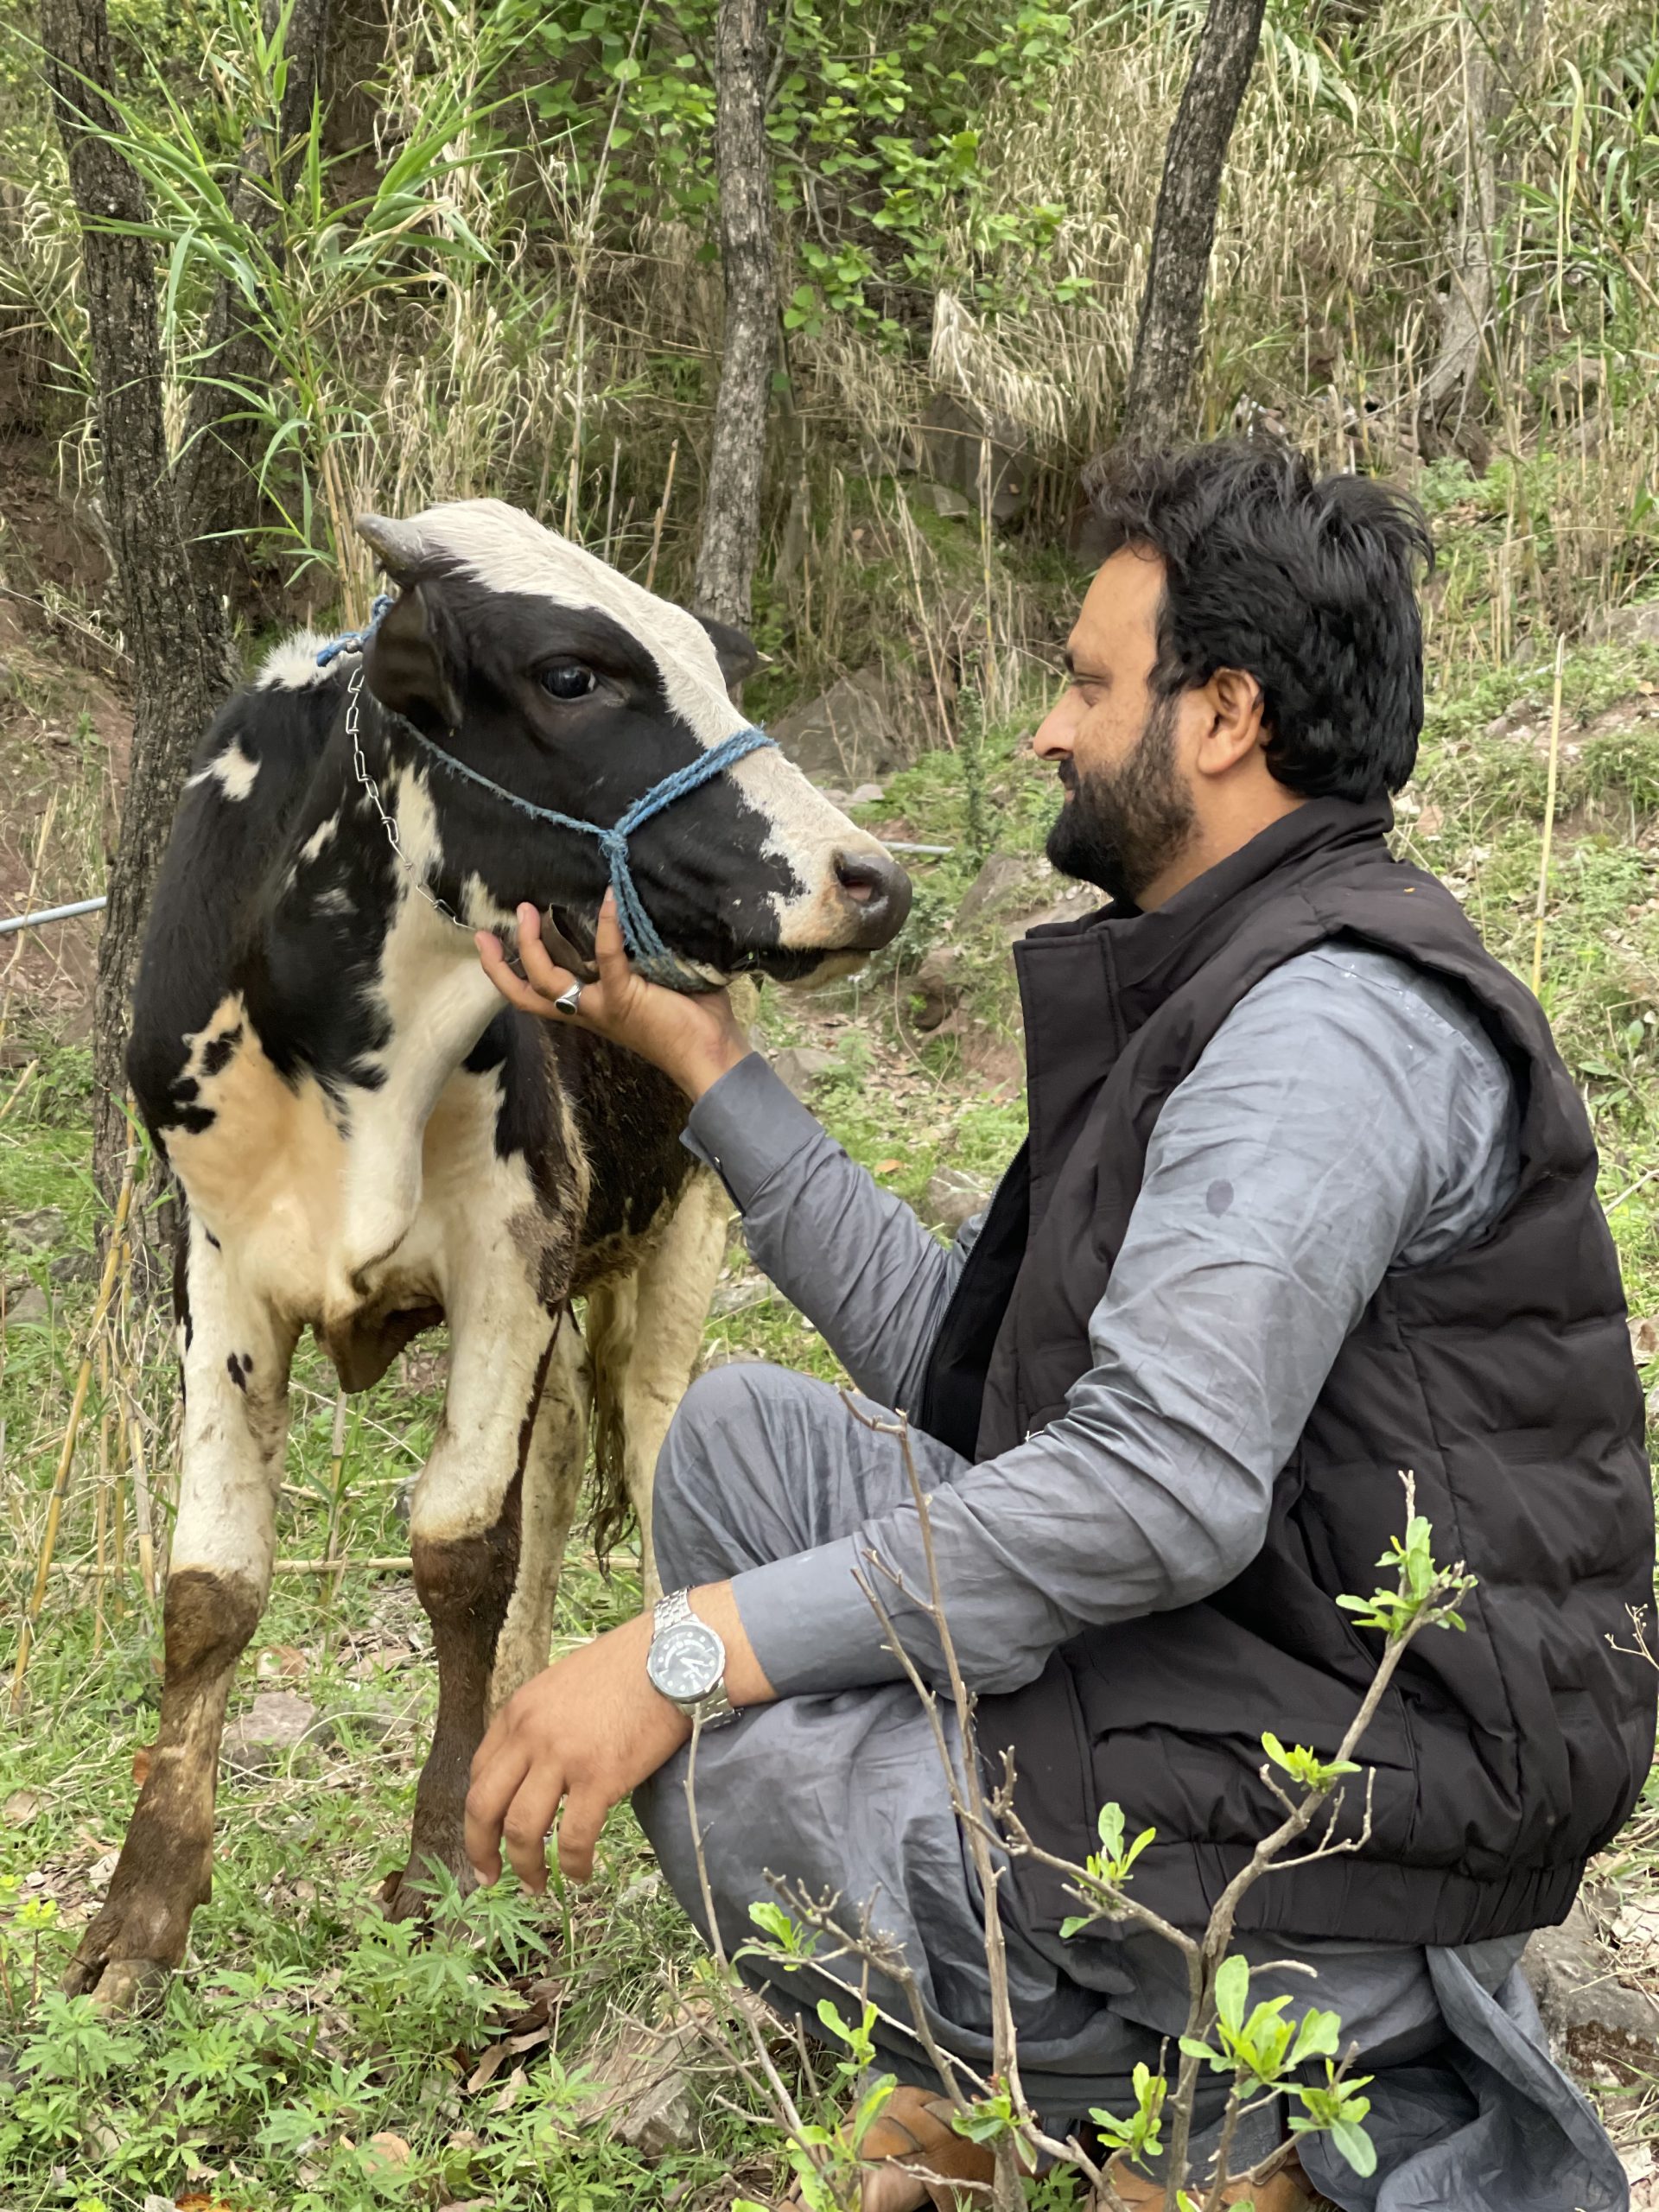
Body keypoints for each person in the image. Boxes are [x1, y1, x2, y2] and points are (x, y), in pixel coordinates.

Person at [463, 441, 1656, 2212]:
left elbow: (1152, 1488)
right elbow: (981, 1365)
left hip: (1378, 1779)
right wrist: (703, 1059)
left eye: (1090, 682)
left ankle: (1268, 2114)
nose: (1047, 729)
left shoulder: (1328, 1029)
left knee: (743, 1785)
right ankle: (1023, 2079)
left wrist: (686, 1650)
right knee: (732, 1442)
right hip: (1243, 1658)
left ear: (1223, 713)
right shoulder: (1222, 965)